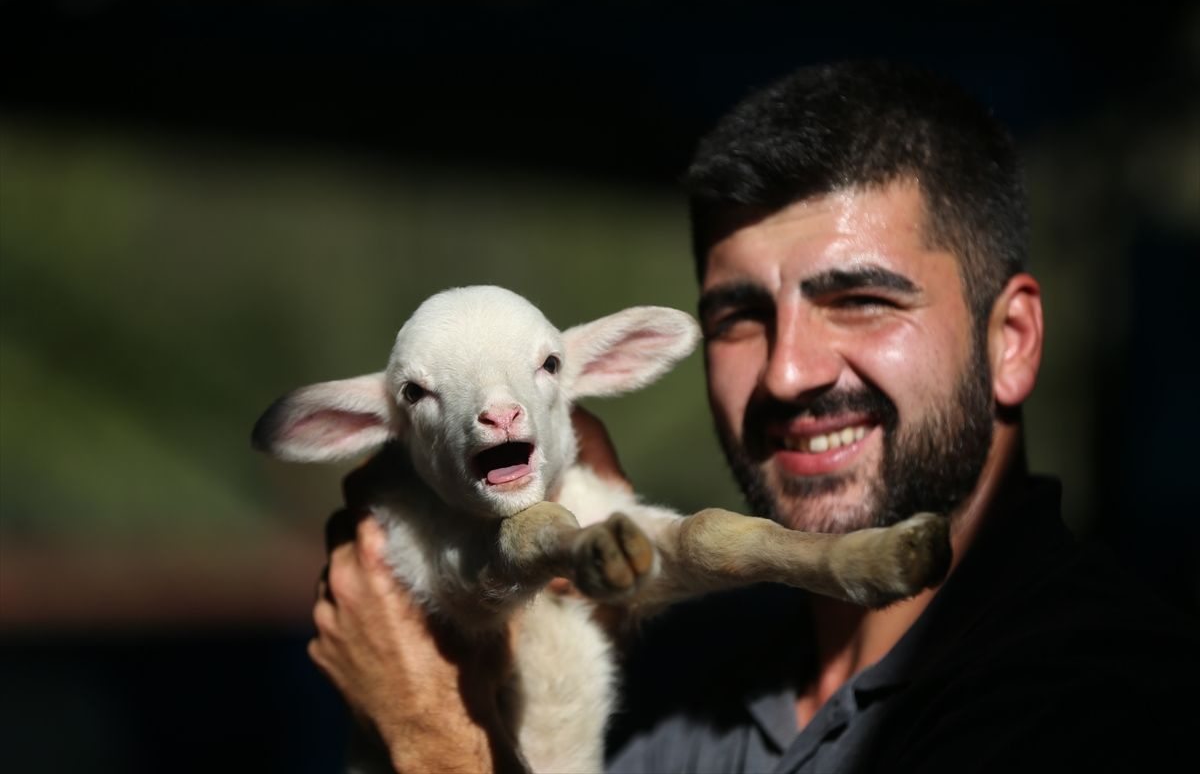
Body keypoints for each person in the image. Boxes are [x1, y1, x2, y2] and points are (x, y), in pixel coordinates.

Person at [308, 61, 1200, 772]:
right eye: (740, 316)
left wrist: (432, 731)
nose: (786, 372)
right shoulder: (698, 717)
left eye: (859, 299)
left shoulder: (1100, 710)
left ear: (1012, 341)